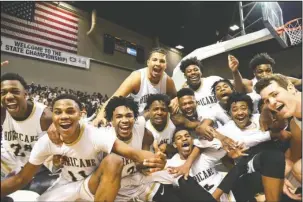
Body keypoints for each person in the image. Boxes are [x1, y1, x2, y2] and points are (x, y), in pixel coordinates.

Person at [1, 94, 166, 201]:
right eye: (59, 112)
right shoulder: (48, 140)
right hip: (67, 185)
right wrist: (57, 162)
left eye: (70, 111)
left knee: (114, 161)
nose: (64, 116)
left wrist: (157, 160)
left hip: (92, 185)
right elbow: (22, 178)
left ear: (81, 114)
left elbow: (135, 152)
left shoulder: (97, 134)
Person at [101, 96, 217, 202]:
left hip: (140, 178)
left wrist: (152, 158)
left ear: (134, 118)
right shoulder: (104, 137)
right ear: (111, 120)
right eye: (119, 117)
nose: (125, 120)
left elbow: (148, 140)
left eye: (129, 116)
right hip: (118, 186)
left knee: (178, 175)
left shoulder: (140, 125)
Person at [93, 47, 178, 126]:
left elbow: (176, 96)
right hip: (136, 122)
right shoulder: (137, 77)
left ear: (166, 66)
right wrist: (100, 116)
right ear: (148, 63)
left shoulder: (167, 81)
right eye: (154, 60)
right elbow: (115, 97)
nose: (158, 64)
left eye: (162, 61)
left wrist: (176, 99)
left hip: (155, 124)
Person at [1, 73, 56, 194]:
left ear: (25, 94)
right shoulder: (2, 112)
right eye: (3, 92)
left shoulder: (45, 117)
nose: (8, 96)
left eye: (15, 91)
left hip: (39, 167)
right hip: (10, 161)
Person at [255, 74, 302, 201]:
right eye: (266, 101)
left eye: (275, 94)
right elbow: (293, 157)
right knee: (297, 168)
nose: (272, 103)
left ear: (291, 88)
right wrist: (280, 180)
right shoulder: (295, 123)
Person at [230, 53, 301, 93]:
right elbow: (236, 85)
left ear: (272, 71)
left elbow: (299, 81)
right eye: (260, 71)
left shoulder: (280, 79)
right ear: (254, 73)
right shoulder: (249, 84)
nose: (265, 74)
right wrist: (235, 71)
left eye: (268, 70)